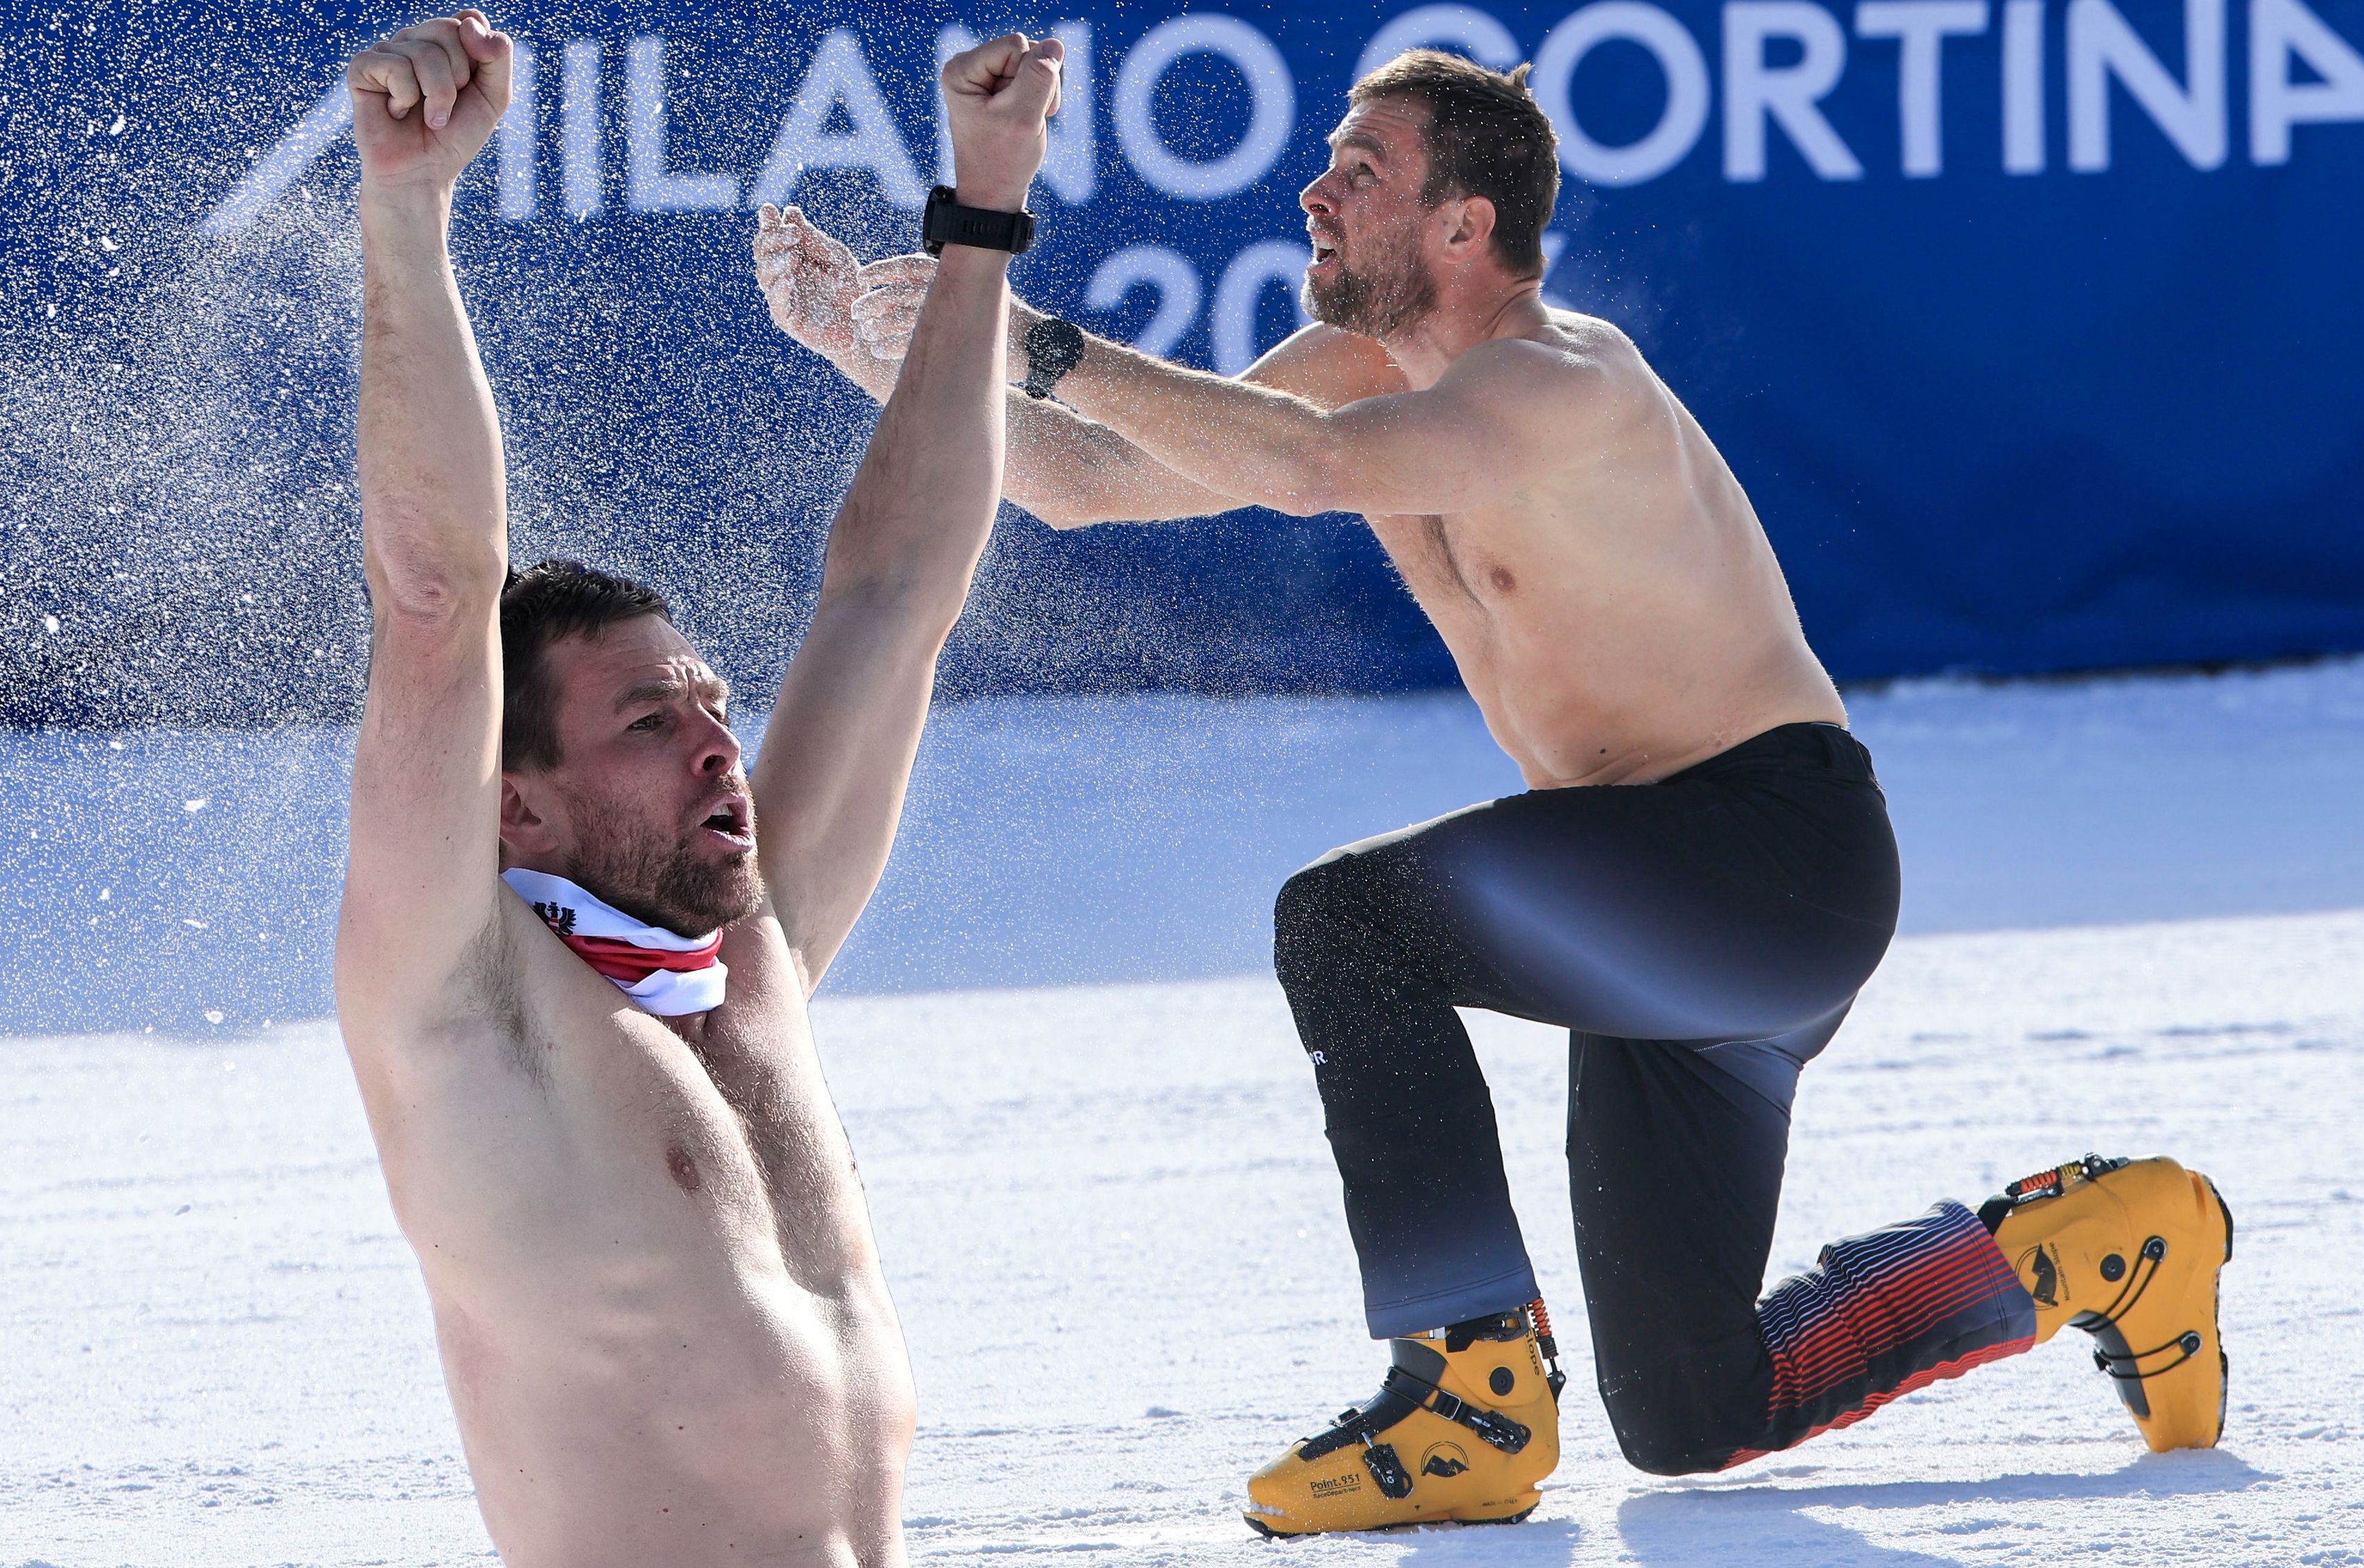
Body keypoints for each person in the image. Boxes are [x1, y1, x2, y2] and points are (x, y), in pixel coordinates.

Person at [760, 47, 2234, 1537]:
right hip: (1662, 902)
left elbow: (1308, 470)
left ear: (1465, 228)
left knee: (1348, 924)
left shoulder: (1558, 379)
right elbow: (1087, 484)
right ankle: (2092, 1244)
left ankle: (1465, 1384)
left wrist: (1051, 343)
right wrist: (882, 359)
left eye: (1361, 171)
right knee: (1690, 1407)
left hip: (1765, 861)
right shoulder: (1356, 370)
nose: (1311, 193)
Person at [335, 13, 1062, 1563]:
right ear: (513, 806)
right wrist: (408, 217)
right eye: (648, 723)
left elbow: (893, 590)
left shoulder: (752, 950)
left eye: (712, 703)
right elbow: (435, 598)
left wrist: (984, 206)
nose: (719, 743)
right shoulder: (462, 1009)